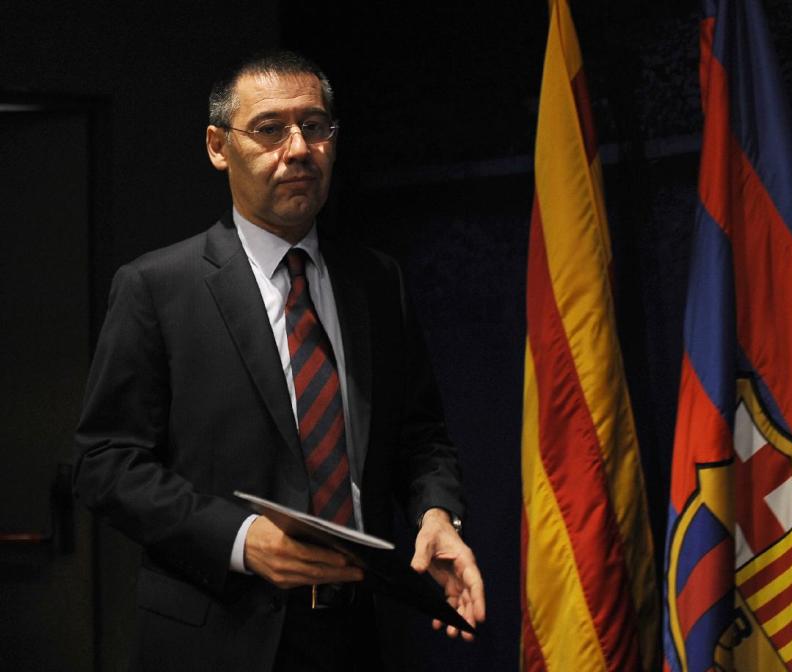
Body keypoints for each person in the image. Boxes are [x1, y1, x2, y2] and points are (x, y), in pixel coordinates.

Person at [73, 50, 484, 671]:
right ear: (218, 146)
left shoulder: (376, 280)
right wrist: (239, 540)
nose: (298, 149)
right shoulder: (157, 286)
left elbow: (420, 436)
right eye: (270, 129)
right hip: (216, 635)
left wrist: (437, 512)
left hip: (357, 633)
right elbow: (105, 464)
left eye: (316, 127)